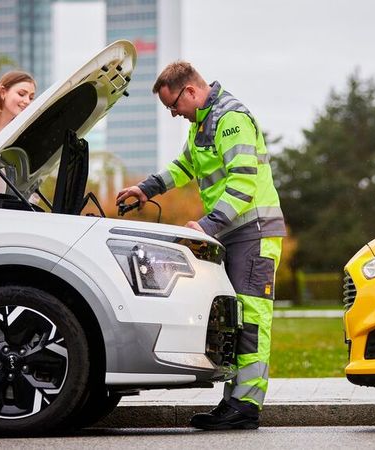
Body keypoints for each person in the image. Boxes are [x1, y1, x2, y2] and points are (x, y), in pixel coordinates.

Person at [116, 61, 286, 430]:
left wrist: (207, 226)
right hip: (232, 232)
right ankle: (233, 402)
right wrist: (146, 189)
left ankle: (246, 406)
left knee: (252, 319)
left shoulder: (231, 119)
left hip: (253, 232)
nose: (174, 113)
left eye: (174, 105)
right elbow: (184, 166)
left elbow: (243, 182)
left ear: (190, 91)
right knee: (234, 320)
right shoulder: (201, 124)